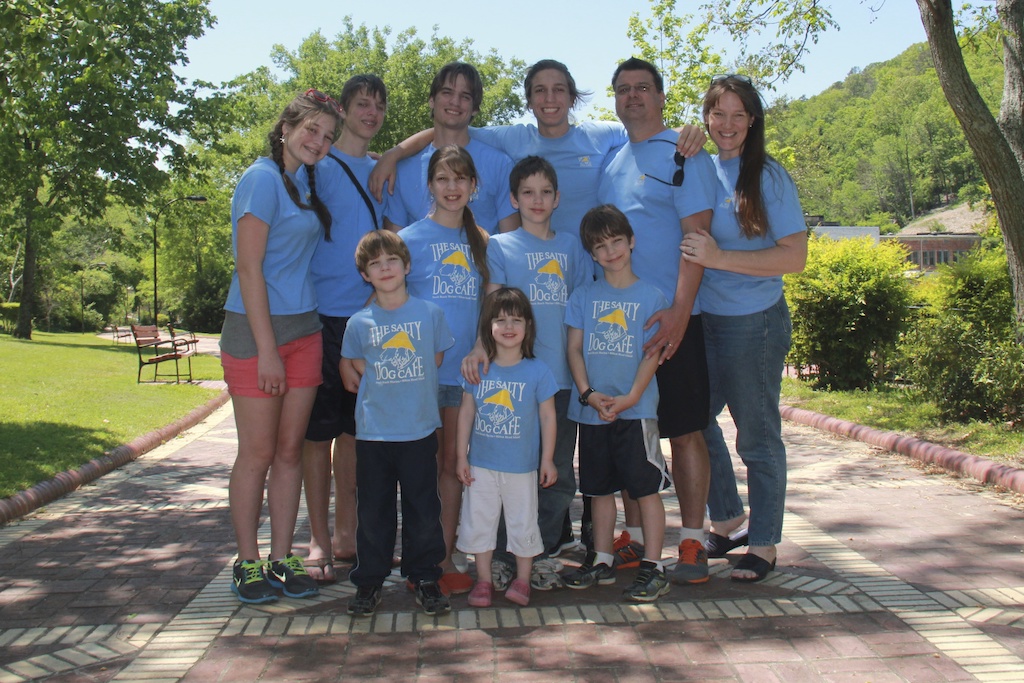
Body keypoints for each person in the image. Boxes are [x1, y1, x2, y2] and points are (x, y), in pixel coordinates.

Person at [680, 74, 807, 582]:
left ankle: (764, 543)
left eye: (738, 114)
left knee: (756, 436)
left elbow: (794, 256)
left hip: (753, 323)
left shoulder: (768, 177)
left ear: (752, 120)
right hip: (704, 319)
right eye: (718, 114)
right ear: (707, 118)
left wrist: (720, 257)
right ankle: (729, 518)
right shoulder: (703, 169)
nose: (727, 124)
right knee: (691, 420)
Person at [597, 57, 718, 586]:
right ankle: (635, 540)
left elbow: (698, 242)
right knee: (628, 432)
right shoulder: (612, 159)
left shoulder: (685, 153)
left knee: (686, 430)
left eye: (642, 88)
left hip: (675, 321)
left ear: (661, 96)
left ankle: (691, 543)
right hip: (621, 328)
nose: (632, 97)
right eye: (623, 90)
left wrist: (679, 314)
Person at [220, 90, 340, 604]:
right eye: (311, 129)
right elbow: (249, 268)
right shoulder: (261, 179)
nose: (318, 141)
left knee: (291, 451)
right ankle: (247, 562)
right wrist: (267, 351)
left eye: (327, 136)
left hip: (304, 331)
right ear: (286, 127)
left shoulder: (300, 183)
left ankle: (282, 557)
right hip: (256, 333)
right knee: (259, 452)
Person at [461, 156, 591, 591]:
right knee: (501, 474)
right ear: (514, 199)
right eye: (528, 193)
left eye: (546, 192)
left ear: (558, 198)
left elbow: (581, 313)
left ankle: (541, 553)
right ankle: (499, 557)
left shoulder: (572, 247)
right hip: (507, 380)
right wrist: (481, 347)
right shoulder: (500, 245)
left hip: (558, 379)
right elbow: (492, 303)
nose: (537, 200)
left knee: (553, 473)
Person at [302, 75, 390, 584]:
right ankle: (316, 538)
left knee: (356, 436)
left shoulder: (383, 171)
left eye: (379, 106)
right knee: (318, 434)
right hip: (318, 317)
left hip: (367, 323)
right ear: (345, 109)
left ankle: (346, 534)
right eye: (362, 103)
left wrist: (396, 154)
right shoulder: (318, 165)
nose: (371, 112)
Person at [340, 230, 454, 617]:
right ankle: (369, 580)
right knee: (373, 511)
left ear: (407, 266)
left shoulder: (430, 314)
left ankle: (424, 576)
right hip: (374, 433)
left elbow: (436, 359)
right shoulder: (359, 323)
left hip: (419, 430)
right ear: (365, 275)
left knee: (424, 508)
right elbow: (357, 366)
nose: (385, 268)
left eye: (392, 260)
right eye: (375, 263)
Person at [562, 204, 672, 603]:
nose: (610, 252)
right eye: (600, 246)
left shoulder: (652, 296)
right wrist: (589, 395)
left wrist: (631, 397)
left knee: (645, 490)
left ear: (631, 242)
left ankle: (654, 566)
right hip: (592, 412)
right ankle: (602, 558)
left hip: (635, 412)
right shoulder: (583, 295)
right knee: (598, 491)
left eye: (616, 242)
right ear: (591, 254)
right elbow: (573, 349)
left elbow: (651, 355)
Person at [398, 145, 490, 594]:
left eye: (460, 179)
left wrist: (479, 345)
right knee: (419, 469)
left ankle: (445, 554)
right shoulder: (408, 239)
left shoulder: (484, 242)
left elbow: (491, 307)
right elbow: (387, 303)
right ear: (430, 185)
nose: (452, 188)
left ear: (474, 186)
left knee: (453, 468)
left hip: (463, 377)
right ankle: (418, 552)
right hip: (417, 376)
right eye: (442, 179)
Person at [456, 287, 558, 608]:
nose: (508, 326)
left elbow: (548, 416)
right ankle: (483, 580)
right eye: (500, 320)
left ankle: (523, 580)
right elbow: (466, 412)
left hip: (522, 466)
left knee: (523, 521)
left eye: (516, 319)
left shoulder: (538, 371)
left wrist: (548, 459)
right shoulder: (478, 370)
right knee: (480, 521)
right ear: (488, 327)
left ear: (528, 325)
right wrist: (461, 455)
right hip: (481, 464)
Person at [384, 62, 518, 235]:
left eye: (465, 96)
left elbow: (510, 244)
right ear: (432, 100)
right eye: (447, 92)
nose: (455, 102)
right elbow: (394, 247)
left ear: (475, 109)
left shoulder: (501, 165)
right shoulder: (402, 170)